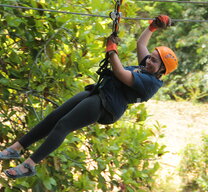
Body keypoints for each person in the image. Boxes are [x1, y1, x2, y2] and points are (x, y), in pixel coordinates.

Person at [0, 15, 178, 179]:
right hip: (99, 92)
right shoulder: (147, 67)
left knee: (64, 125)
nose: (148, 61)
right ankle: (16, 148)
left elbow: (120, 72)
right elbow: (141, 45)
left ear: (163, 70)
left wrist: (112, 50)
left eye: (154, 61)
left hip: (106, 106)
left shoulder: (151, 83)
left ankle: (29, 165)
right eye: (151, 58)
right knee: (55, 117)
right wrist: (152, 27)